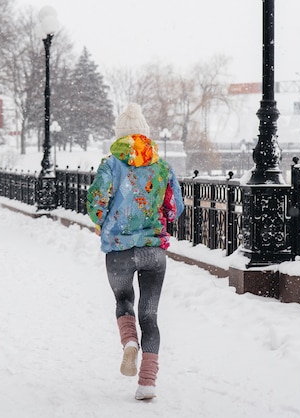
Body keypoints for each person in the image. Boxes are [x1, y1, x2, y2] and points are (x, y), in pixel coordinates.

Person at [86, 103, 185, 400]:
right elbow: (175, 208)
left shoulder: (110, 165)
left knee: (123, 300)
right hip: (153, 252)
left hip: (118, 251)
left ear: (120, 135)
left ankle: (130, 343)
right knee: (150, 316)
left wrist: (105, 222)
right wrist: (157, 220)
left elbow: (96, 205)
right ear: (145, 134)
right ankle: (147, 383)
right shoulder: (163, 167)